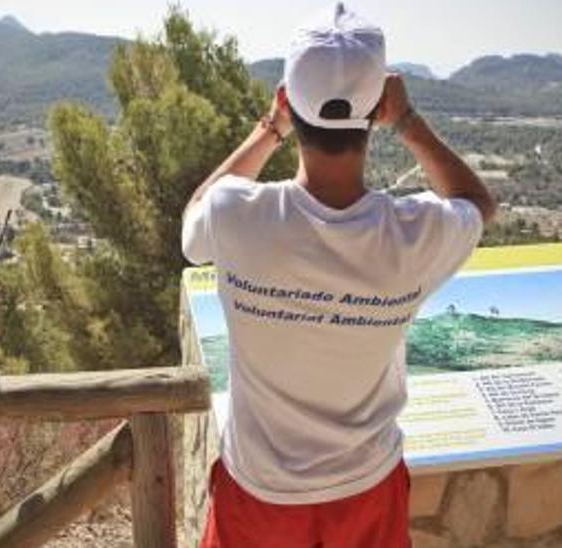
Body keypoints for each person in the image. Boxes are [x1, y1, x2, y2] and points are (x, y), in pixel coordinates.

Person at [181, 4, 495, 546]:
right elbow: (476, 203)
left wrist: (268, 128)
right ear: (378, 109)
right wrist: (410, 122)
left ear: (285, 100)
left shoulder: (236, 214)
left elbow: (192, 227)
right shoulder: (412, 234)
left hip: (259, 491)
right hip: (365, 486)